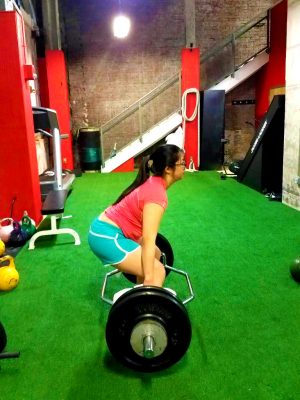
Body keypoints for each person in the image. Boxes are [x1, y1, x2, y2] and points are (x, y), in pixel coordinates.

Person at [88, 144, 185, 287]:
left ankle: (139, 297)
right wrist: (150, 277)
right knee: (157, 271)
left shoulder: (154, 183)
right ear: (168, 169)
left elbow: (147, 240)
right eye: (181, 163)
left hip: (107, 230)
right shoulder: (157, 194)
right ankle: (146, 306)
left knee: (156, 254)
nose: (184, 166)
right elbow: (148, 238)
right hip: (106, 237)